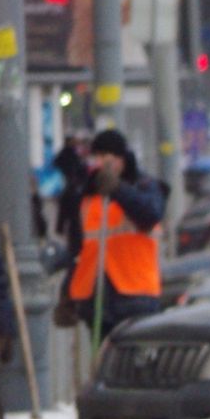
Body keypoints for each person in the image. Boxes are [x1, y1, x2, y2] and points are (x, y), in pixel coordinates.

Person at [63, 129, 166, 340]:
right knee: (104, 366)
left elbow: (150, 214)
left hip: (136, 296)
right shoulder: (88, 197)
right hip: (97, 299)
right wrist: (67, 294)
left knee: (134, 365)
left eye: (105, 157)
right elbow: (80, 251)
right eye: (97, 157)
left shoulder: (144, 186)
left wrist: (118, 189)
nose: (99, 163)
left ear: (121, 159)